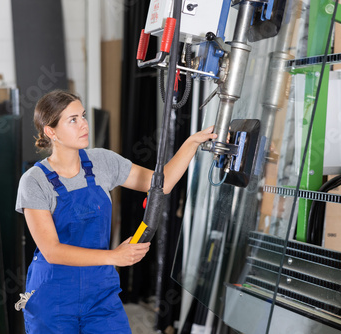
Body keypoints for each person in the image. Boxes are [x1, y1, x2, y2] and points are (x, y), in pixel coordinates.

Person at [15, 89, 217, 333]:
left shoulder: (102, 162)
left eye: (83, 115)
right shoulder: (34, 181)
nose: (84, 124)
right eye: (73, 120)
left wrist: (191, 143)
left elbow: (159, 185)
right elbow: (52, 251)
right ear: (51, 131)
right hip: (53, 297)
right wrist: (114, 257)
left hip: (100, 293)